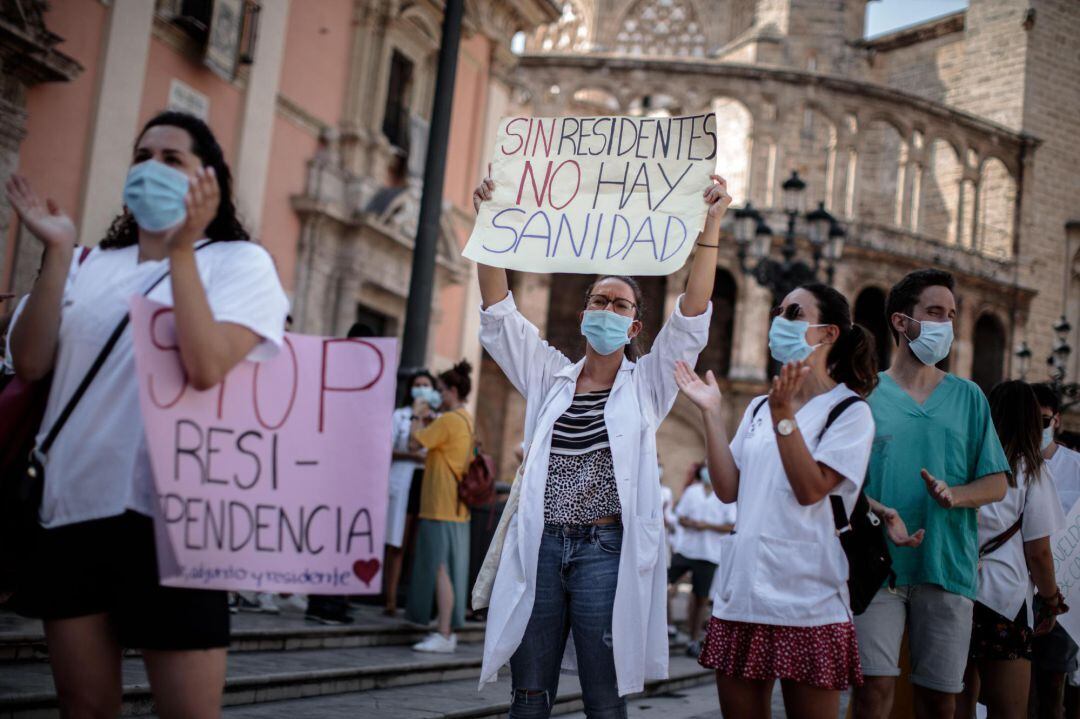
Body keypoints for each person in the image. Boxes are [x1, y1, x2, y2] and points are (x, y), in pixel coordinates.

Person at [4, 110, 289, 717]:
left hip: (177, 521)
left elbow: (207, 365)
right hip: (71, 512)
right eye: (142, 156)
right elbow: (29, 362)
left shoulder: (239, 263)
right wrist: (55, 253)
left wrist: (182, 251)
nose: (150, 169)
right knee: (85, 709)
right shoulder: (87, 264)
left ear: (207, 180)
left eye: (171, 159)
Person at [472, 170, 731, 718]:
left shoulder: (647, 385)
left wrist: (709, 228)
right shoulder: (550, 377)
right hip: (541, 547)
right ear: (582, 313)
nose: (607, 310)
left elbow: (690, 318)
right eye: (599, 300)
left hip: (604, 553)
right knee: (529, 691)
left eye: (620, 305)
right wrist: (488, 226)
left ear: (636, 327)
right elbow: (500, 318)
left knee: (603, 695)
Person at [675, 283, 879, 719]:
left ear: (827, 334)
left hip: (807, 598)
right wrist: (711, 414)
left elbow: (810, 490)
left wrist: (784, 416)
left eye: (794, 313)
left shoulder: (849, 412)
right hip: (744, 592)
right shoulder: (755, 408)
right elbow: (729, 489)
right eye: (778, 311)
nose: (778, 321)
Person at [851, 269, 1009, 719]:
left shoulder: (970, 397)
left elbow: (996, 482)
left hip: (947, 565)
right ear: (901, 322)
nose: (947, 325)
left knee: (941, 701)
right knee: (871, 694)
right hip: (876, 570)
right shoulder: (865, 396)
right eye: (935, 312)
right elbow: (843, 485)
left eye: (952, 315)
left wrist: (954, 495)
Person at [955, 380, 1066, 719]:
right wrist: (1050, 601)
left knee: (959, 703)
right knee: (1009, 710)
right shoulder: (1029, 470)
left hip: (956, 591)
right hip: (1002, 601)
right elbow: (1039, 553)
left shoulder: (964, 460)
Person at [407, 360, 475, 653]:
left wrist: (416, 414)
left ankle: (444, 632)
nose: (437, 394)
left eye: (441, 390)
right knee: (449, 568)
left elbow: (414, 444)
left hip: (439, 504)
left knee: (439, 567)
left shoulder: (447, 421)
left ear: (452, 391)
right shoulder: (464, 419)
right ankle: (446, 626)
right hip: (456, 506)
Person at [1031, 382, 1080, 719]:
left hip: (1062, 594)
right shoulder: (1008, 467)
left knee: (1051, 686)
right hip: (1015, 593)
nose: (1038, 429)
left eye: (1044, 421)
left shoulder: (1076, 468)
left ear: (1058, 420)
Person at [384, 369, 438, 616]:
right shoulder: (401, 415)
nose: (422, 388)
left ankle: (413, 599)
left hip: (426, 481)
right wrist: (411, 455)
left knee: (419, 544)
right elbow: (389, 447)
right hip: (402, 478)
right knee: (397, 541)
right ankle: (390, 598)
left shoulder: (437, 418)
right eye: (418, 384)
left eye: (426, 384)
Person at [667, 463, 735, 657]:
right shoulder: (693, 492)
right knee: (662, 583)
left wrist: (706, 525)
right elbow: (680, 518)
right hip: (686, 550)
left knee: (700, 598)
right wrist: (691, 523)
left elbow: (730, 524)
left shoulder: (725, 495)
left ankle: (694, 639)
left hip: (708, 554)